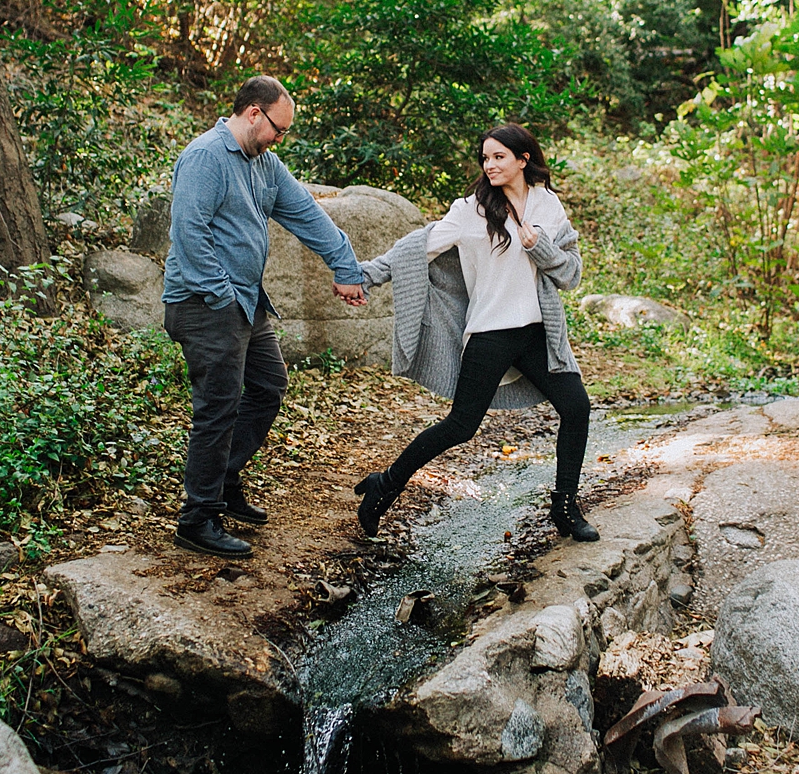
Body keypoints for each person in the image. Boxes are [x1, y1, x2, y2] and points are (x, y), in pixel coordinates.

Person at [352, 123, 598, 542]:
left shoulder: (548, 205)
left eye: (499, 157)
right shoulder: (471, 211)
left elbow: (571, 273)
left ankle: (565, 507)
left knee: (576, 408)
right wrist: (364, 276)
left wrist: (538, 245)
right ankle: (386, 484)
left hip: (537, 332)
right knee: (461, 425)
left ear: (523, 160)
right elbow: (416, 248)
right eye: (485, 158)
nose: (490, 165)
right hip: (490, 333)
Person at [162, 76, 367, 559]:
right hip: (205, 303)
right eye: (278, 128)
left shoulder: (265, 164)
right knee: (218, 405)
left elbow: (306, 215)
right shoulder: (206, 157)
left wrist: (345, 265)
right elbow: (189, 234)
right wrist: (224, 296)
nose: (280, 138)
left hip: (244, 302)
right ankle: (198, 517)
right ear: (253, 113)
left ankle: (224, 481)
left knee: (269, 384)